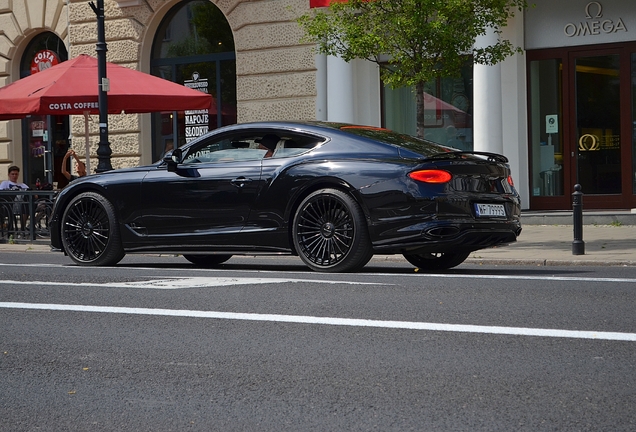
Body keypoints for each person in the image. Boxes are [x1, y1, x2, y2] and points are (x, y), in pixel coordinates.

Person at [0, 165, 29, 231]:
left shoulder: (22, 185)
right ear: (9, 175)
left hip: (21, 206)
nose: (14, 176)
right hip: (9, 206)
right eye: (12, 174)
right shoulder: (5, 183)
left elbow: (30, 192)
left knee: (27, 206)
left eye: (16, 174)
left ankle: (23, 228)